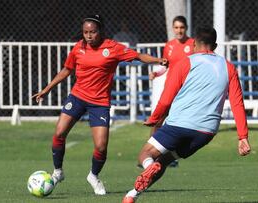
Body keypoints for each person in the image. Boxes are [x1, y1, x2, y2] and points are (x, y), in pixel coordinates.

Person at [31, 14, 167, 196]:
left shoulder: (113, 48)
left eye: (92, 32)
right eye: (85, 32)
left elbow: (138, 56)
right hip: (77, 97)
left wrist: (158, 61)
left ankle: (93, 176)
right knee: (59, 132)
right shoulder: (78, 47)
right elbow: (67, 70)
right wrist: (46, 89)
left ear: (100, 31)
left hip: (99, 103)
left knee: (101, 146)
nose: (88, 35)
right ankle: (58, 172)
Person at [122, 25, 251, 203]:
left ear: (194, 44)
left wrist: (155, 118)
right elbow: (237, 103)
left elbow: (167, 97)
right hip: (205, 132)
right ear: (215, 46)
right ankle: (132, 195)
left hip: (179, 124)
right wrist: (242, 136)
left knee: (146, 155)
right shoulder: (228, 68)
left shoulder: (186, 62)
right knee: (164, 162)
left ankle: (148, 167)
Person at [149, 15, 195, 167]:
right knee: (159, 120)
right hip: (170, 87)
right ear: (173, 29)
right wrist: (156, 73)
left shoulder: (193, 44)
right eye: (176, 27)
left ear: (186, 28)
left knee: (179, 123)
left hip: (186, 90)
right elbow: (165, 66)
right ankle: (149, 153)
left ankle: (171, 157)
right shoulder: (169, 46)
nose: (179, 30)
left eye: (181, 27)